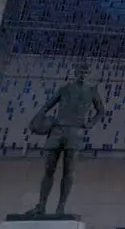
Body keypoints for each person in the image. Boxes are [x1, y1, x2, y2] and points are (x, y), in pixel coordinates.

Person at [26, 65, 105, 216]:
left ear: (89, 74)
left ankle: (60, 207)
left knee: (69, 171)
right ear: (75, 73)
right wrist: (37, 121)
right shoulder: (65, 89)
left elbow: (101, 111)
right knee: (49, 169)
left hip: (75, 133)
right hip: (58, 129)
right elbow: (46, 106)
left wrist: (90, 123)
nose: (82, 74)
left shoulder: (92, 91)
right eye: (80, 71)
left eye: (86, 72)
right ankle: (41, 205)